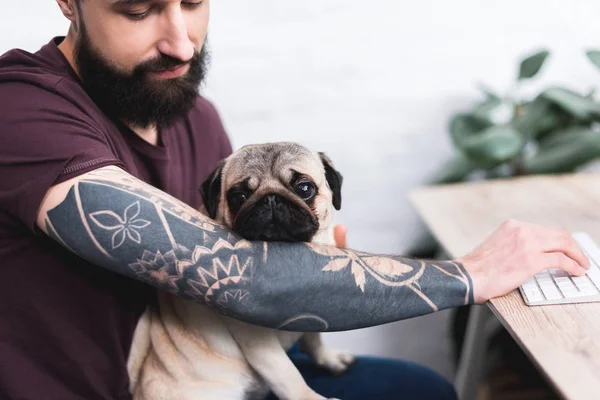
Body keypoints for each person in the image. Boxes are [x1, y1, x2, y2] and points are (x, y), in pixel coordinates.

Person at [0, 1, 590, 399]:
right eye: (138, 9)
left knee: (424, 388)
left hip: (232, 359)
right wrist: (469, 273)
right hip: (138, 386)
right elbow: (247, 280)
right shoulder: (21, 110)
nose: (180, 42)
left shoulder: (192, 115)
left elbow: (265, 269)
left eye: (194, 1)